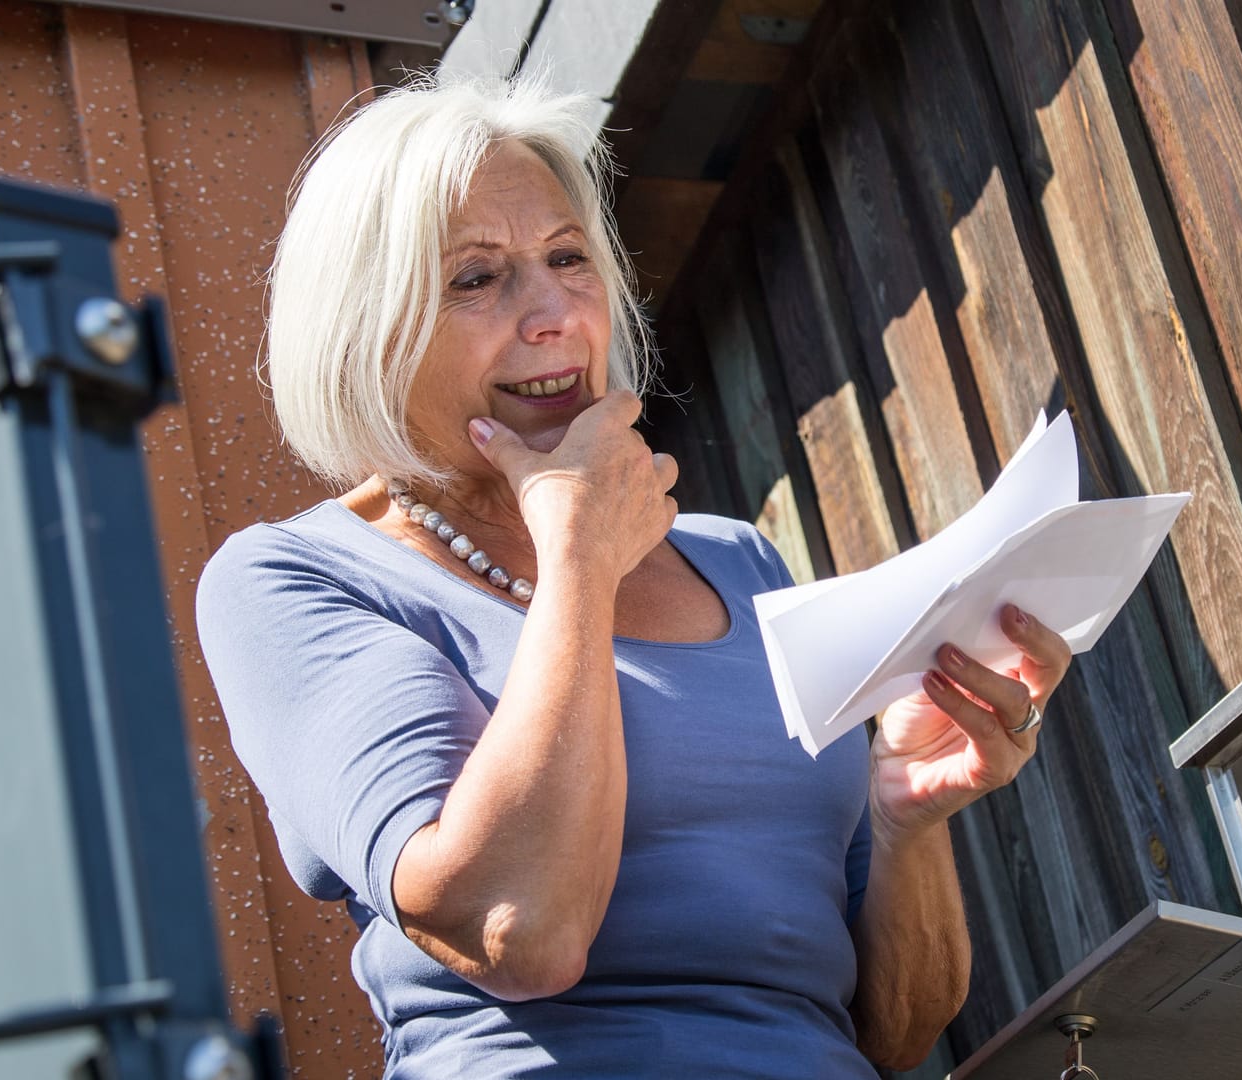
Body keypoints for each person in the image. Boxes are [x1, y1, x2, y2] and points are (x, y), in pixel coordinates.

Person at [194, 74, 1069, 1078]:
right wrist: (576, 556)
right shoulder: (295, 578)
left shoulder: (740, 562)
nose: (554, 312)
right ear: (363, 325)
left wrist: (905, 815)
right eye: (476, 278)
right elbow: (520, 932)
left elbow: (888, 1035)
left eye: (569, 259)